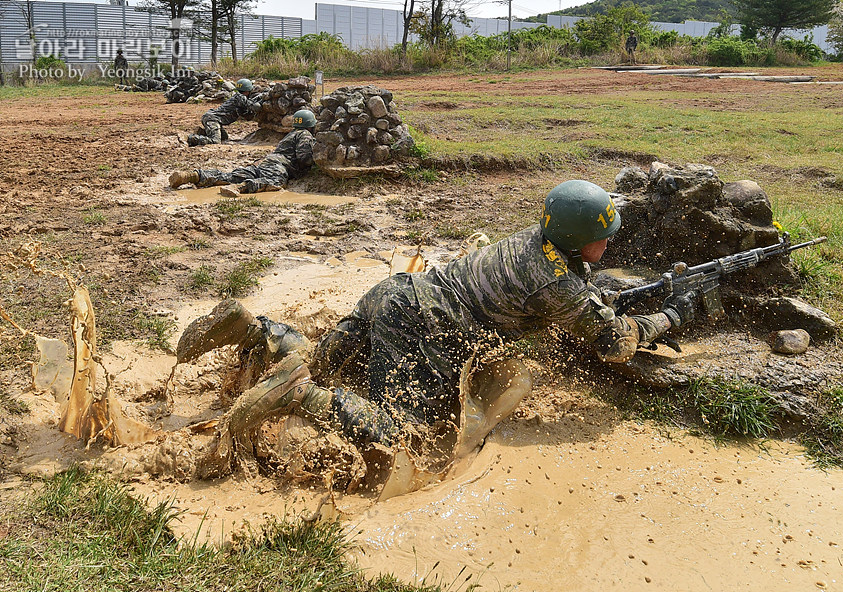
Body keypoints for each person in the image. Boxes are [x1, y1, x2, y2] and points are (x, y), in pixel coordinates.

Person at [178, 180, 696, 469]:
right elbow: (613, 343)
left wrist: (601, 295)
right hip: (422, 327)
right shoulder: (556, 285)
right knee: (407, 435)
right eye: (603, 238)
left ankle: (254, 327)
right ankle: (298, 397)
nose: (609, 246)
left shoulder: (532, 239)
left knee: (325, 362)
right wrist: (670, 315)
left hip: (394, 294)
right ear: (577, 236)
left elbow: (571, 289)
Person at [169, 109, 317, 195]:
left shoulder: (291, 134)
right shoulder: (305, 134)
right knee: (275, 182)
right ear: (311, 125)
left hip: (265, 163)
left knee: (231, 175)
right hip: (279, 167)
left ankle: (195, 176)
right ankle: (242, 187)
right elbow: (304, 158)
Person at [187, 78, 262, 146]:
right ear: (248, 90)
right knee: (215, 141)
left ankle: (202, 132)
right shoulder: (240, 98)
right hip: (212, 119)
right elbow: (255, 107)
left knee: (224, 138)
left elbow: (247, 116)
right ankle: (192, 138)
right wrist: (262, 100)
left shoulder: (238, 97)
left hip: (212, 118)